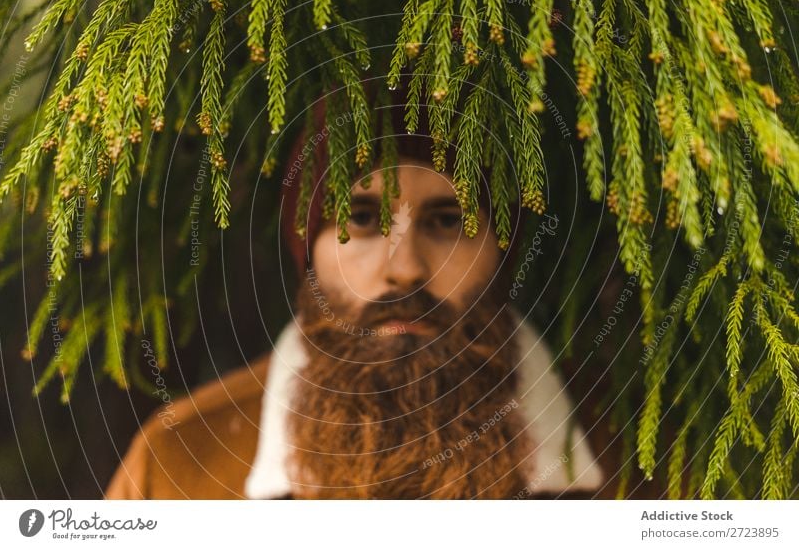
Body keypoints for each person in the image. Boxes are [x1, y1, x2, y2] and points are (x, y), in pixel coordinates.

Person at [104, 101, 661, 500]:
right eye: (363, 220)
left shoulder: (644, 457)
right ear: (307, 251)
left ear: (503, 250)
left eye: (449, 221)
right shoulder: (178, 467)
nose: (405, 268)